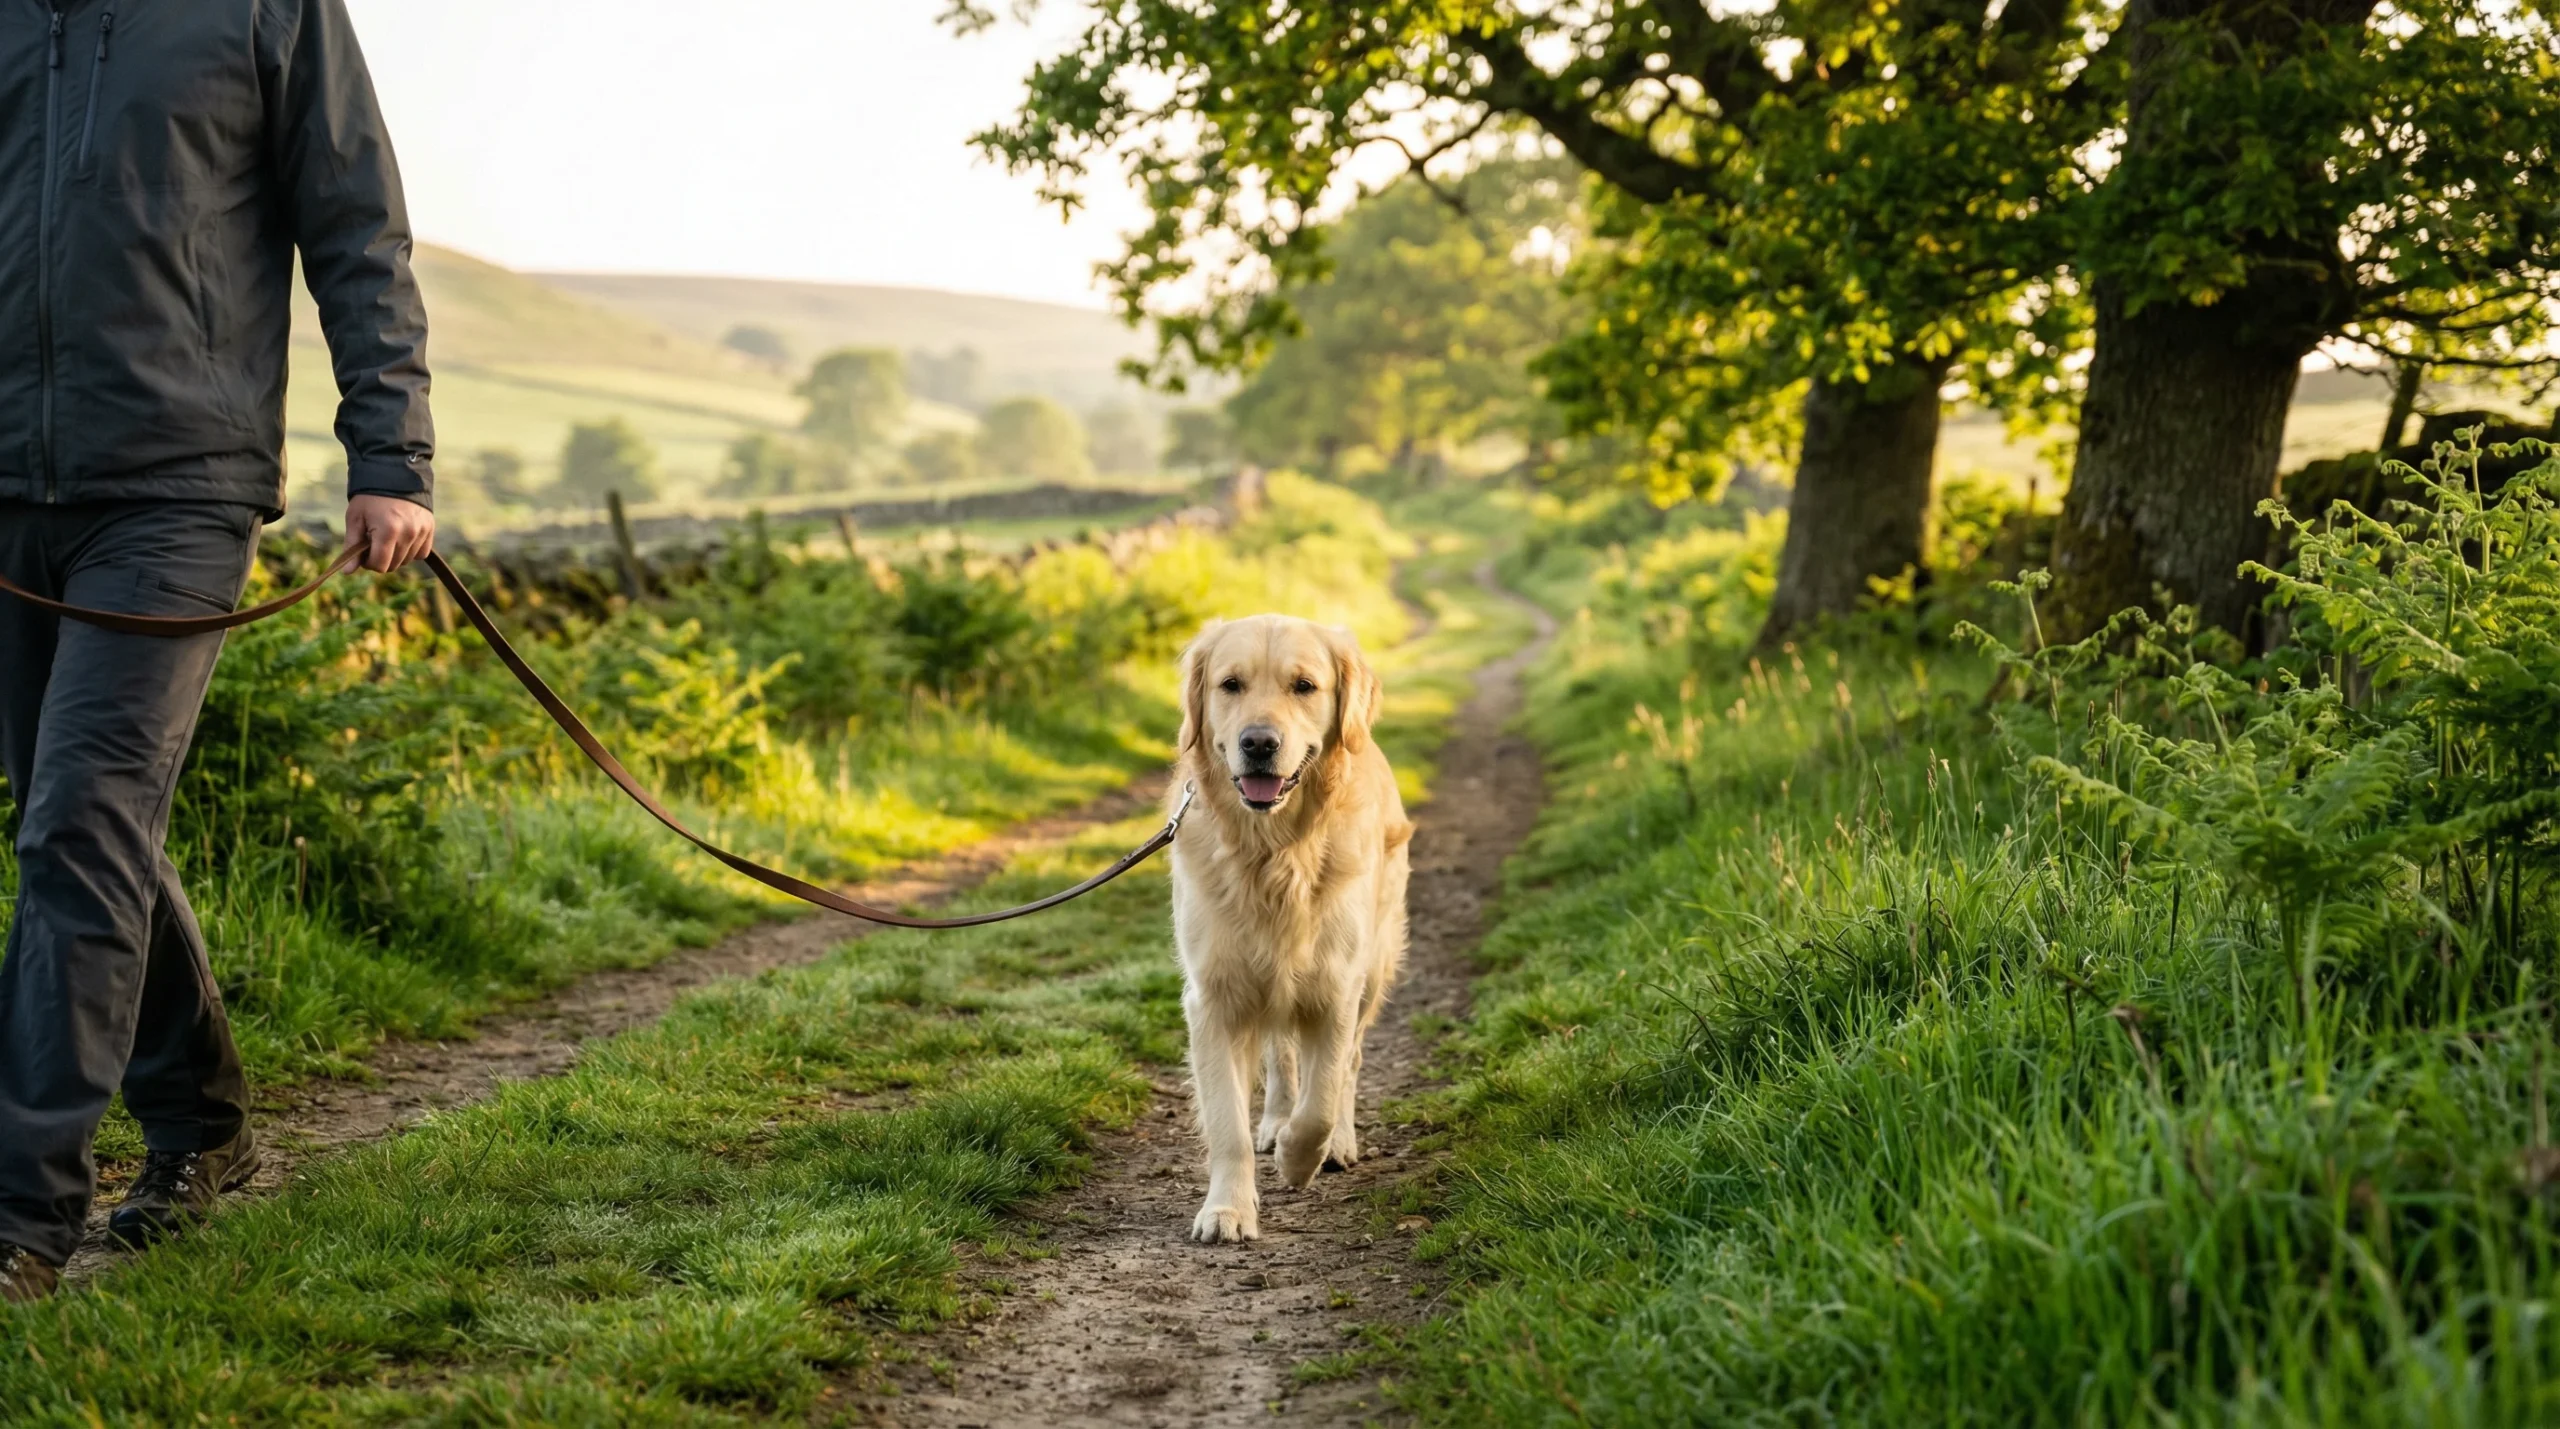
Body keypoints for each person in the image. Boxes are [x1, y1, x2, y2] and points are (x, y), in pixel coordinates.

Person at [0, 0, 436, 1303]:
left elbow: (356, 222)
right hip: (8, 487)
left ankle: (24, 1216)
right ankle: (201, 1125)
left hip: (178, 485)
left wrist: (392, 455)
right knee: (82, 824)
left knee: (81, 823)